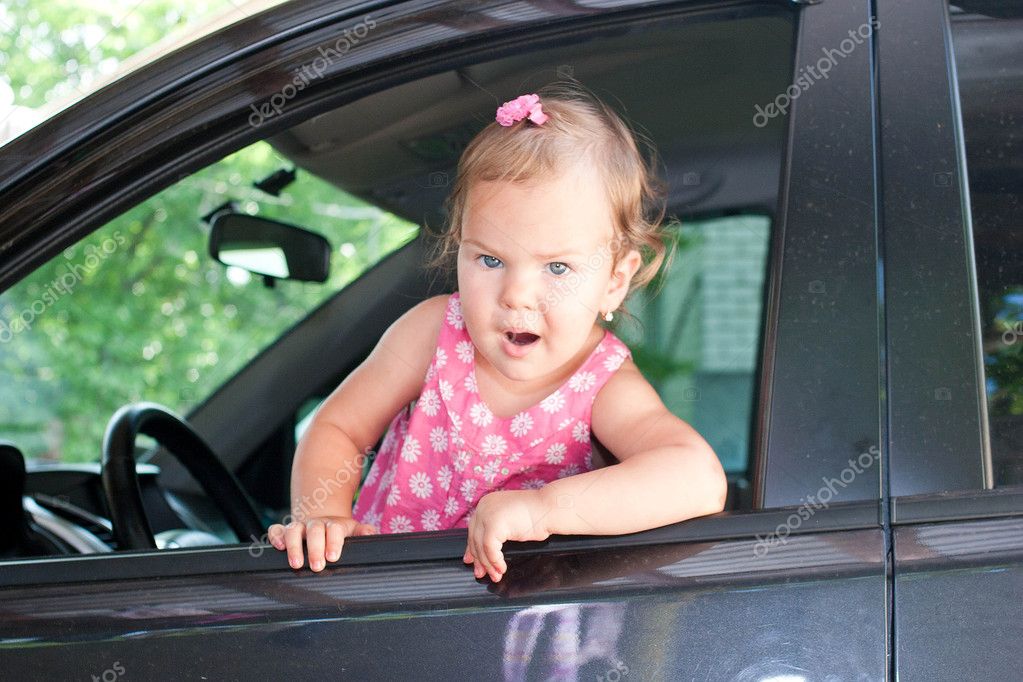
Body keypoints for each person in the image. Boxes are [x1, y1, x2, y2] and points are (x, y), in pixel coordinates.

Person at [267, 83, 727, 582]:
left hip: (504, 628)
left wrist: (543, 509)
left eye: (556, 268)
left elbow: (696, 477)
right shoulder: (433, 332)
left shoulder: (602, 383)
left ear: (614, 282)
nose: (517, 295)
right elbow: (338, 427)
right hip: (386, 597)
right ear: (458, 248)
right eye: (490, 259)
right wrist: (325, 516)